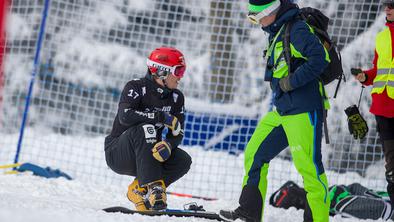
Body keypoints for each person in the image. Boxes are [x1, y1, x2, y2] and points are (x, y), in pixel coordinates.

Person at [219, 0, 331, 221]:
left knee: (310, 169)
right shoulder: (277, 30)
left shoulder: (296, 28)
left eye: (258, 16)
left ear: (271, 11)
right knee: (255, 154)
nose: (257, 22)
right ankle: (249, 213)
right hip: (283, 109)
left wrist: (290, 82)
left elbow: (321, 58)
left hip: (304, 109)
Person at [104, 47, 192, 211]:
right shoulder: (135, 87)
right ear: (161, 72)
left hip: (147, 156)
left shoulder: (176, 97)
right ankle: (155, 189)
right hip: (118, 152)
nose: (181, 77)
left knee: (183, 160)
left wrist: (169, 145)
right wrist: (159, 117)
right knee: (146, 128)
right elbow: (125, 116)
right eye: (178, 71)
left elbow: (178, 131)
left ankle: (138, 189)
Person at [351, 0, 394, 208]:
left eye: (392, 5)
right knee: (392, 166)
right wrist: (365, 77)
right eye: (386, 5)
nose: (387, 9)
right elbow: (380, 70)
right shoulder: (382, 36)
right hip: (383, 107)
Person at [270, 181, 393, 221]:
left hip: (333, 197)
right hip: (337, 193)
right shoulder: (294, 189)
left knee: (340, 202)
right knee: (343, 200)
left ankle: (385, 207)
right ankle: (386, 206)